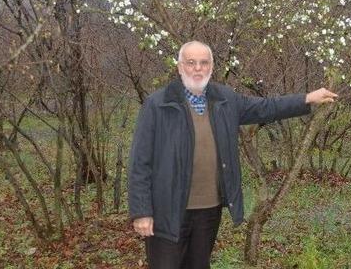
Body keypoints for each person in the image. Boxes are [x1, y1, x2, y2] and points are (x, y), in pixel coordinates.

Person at [128, 40, 338, 269]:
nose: (197, 68)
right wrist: (142, 212)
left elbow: (265, 107)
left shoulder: (225, 99)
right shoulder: (158, 104)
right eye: (190, 63)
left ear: (211, 67)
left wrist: (306, 98)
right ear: (179, 67)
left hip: (209, 209)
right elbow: (140, 162)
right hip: (166, 210)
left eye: (203, 63)